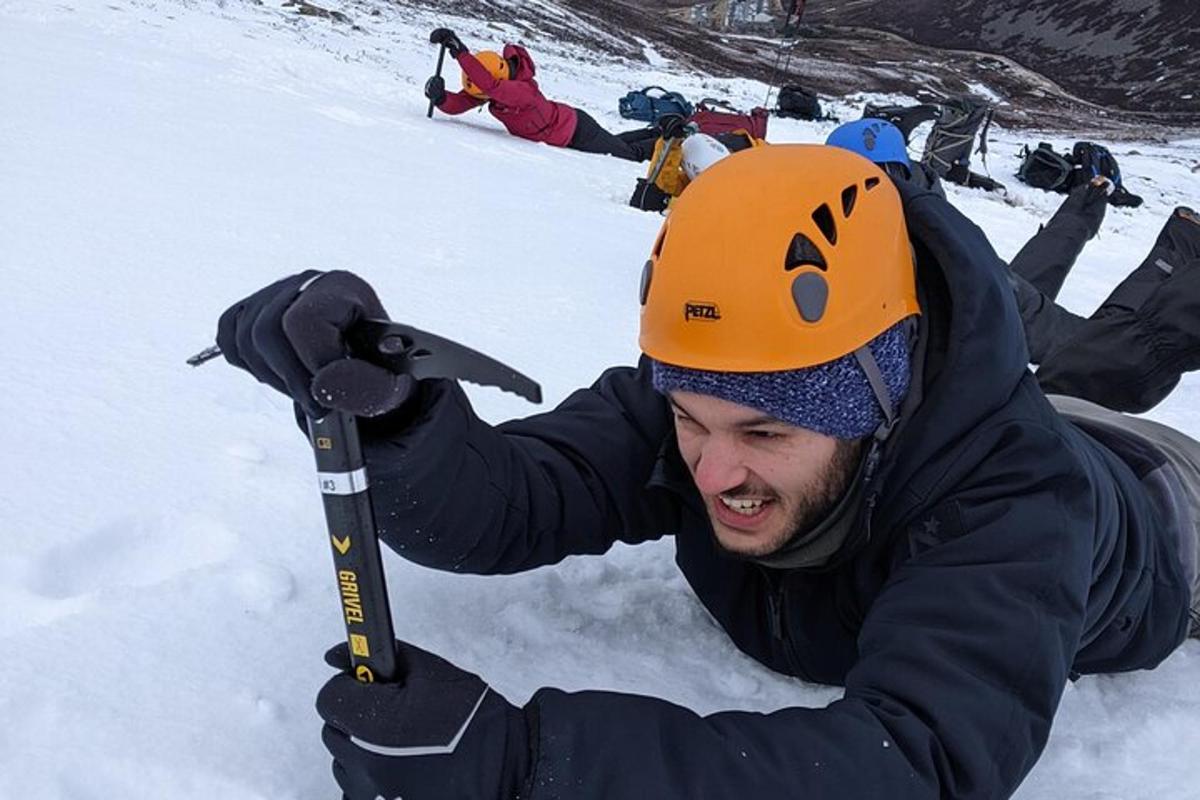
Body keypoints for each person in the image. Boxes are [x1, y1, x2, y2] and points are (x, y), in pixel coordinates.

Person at [216, 145, 1200, 800]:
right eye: (689, 416)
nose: (713, 466)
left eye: (767, 431)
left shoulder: (1019, 510)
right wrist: (400, 422)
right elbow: (519, 496)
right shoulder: (707, 400)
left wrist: (532, 771)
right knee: (1075, 363)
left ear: (877, 405)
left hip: (1164, 506)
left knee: (1115, 361)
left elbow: (919, 761)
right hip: (1006, 407)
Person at [827, 118, 1200, 413]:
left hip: (970, 398)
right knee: (1056, 321)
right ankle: (1088, 211)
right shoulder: (936, 226)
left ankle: (1174, 250)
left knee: (1109, 351)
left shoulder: (930, 245)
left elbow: (1029, 313)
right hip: (971, 349)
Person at [424, 28, 659, 162]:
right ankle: (656, 132)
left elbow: (491, 86)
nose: (483, 92)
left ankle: (668, 141)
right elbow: (460, 103)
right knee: (616, 143)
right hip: (570, 129)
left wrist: (460, 52)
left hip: (576, 129)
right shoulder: (493, 94)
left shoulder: (522, 91)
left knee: (629, 156)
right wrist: (440, 97)